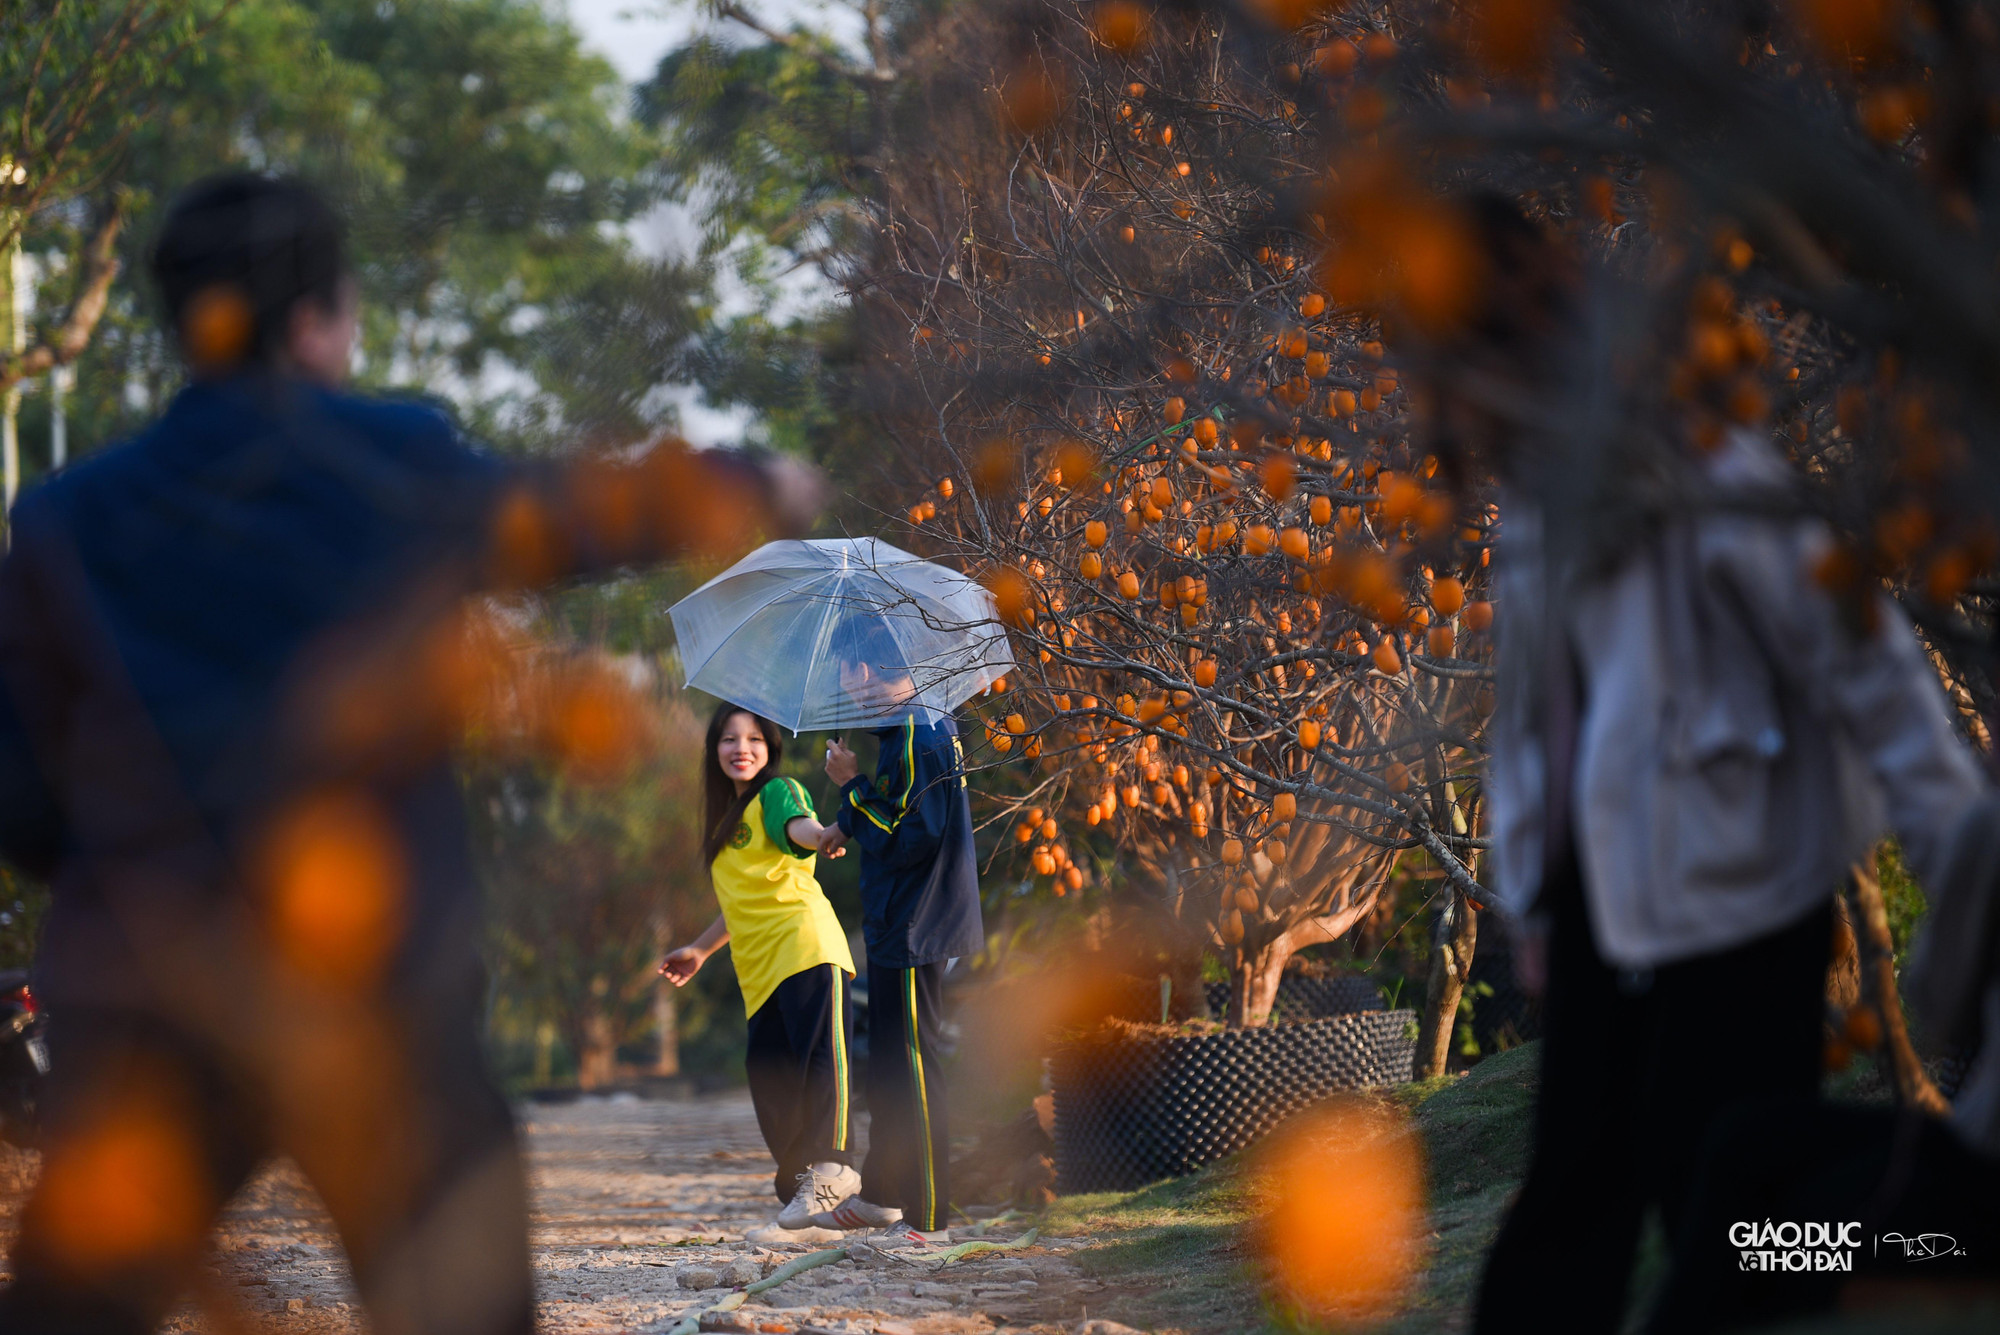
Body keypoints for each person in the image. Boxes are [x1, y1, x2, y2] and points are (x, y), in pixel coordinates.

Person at [0, 172, 813, 1334]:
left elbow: (21, 798)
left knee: (73, 1313)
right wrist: (750, 479)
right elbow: (567, 516)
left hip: (150, 997)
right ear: (316, 319)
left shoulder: (65, 520)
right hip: (379, 998)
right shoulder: (390, 461)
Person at [1432, 196, 1990, 1335]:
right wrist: (1533, 894)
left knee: (1726, 1220)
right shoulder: (1536, 500)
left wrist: (1968, 892)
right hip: (1603, 900)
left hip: (1741, 901)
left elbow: (1870, 674)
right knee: (1569, 1212)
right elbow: (1532, 714)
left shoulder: (1712, 476)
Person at [807, 621, 983, 1246]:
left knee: (913, 1067)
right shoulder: (915, 727)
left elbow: (912, 838)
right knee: (889, 1066)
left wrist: (850, 786)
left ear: (863, 669)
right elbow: (900, 815)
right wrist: (845, 820)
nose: (845, 689)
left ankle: (929, 1217)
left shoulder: (916, 731)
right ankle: (881, 1195)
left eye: (844, 674)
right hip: (897, 924)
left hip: (915, 924)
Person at [658, 704, 857, 1241]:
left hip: (804, 946)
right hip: (759, 971)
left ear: (769, 748)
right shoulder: (728, 821)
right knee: (769, 1081)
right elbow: (740, 901)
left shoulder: (777, 791)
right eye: (727, 738)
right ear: (714, 750)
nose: (739, 748)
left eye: (752, 739)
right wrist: (700, 950)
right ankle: (817, 1198)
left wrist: (824, 834)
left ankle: (835, 1169)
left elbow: (800, 827)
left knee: (820, 1064)